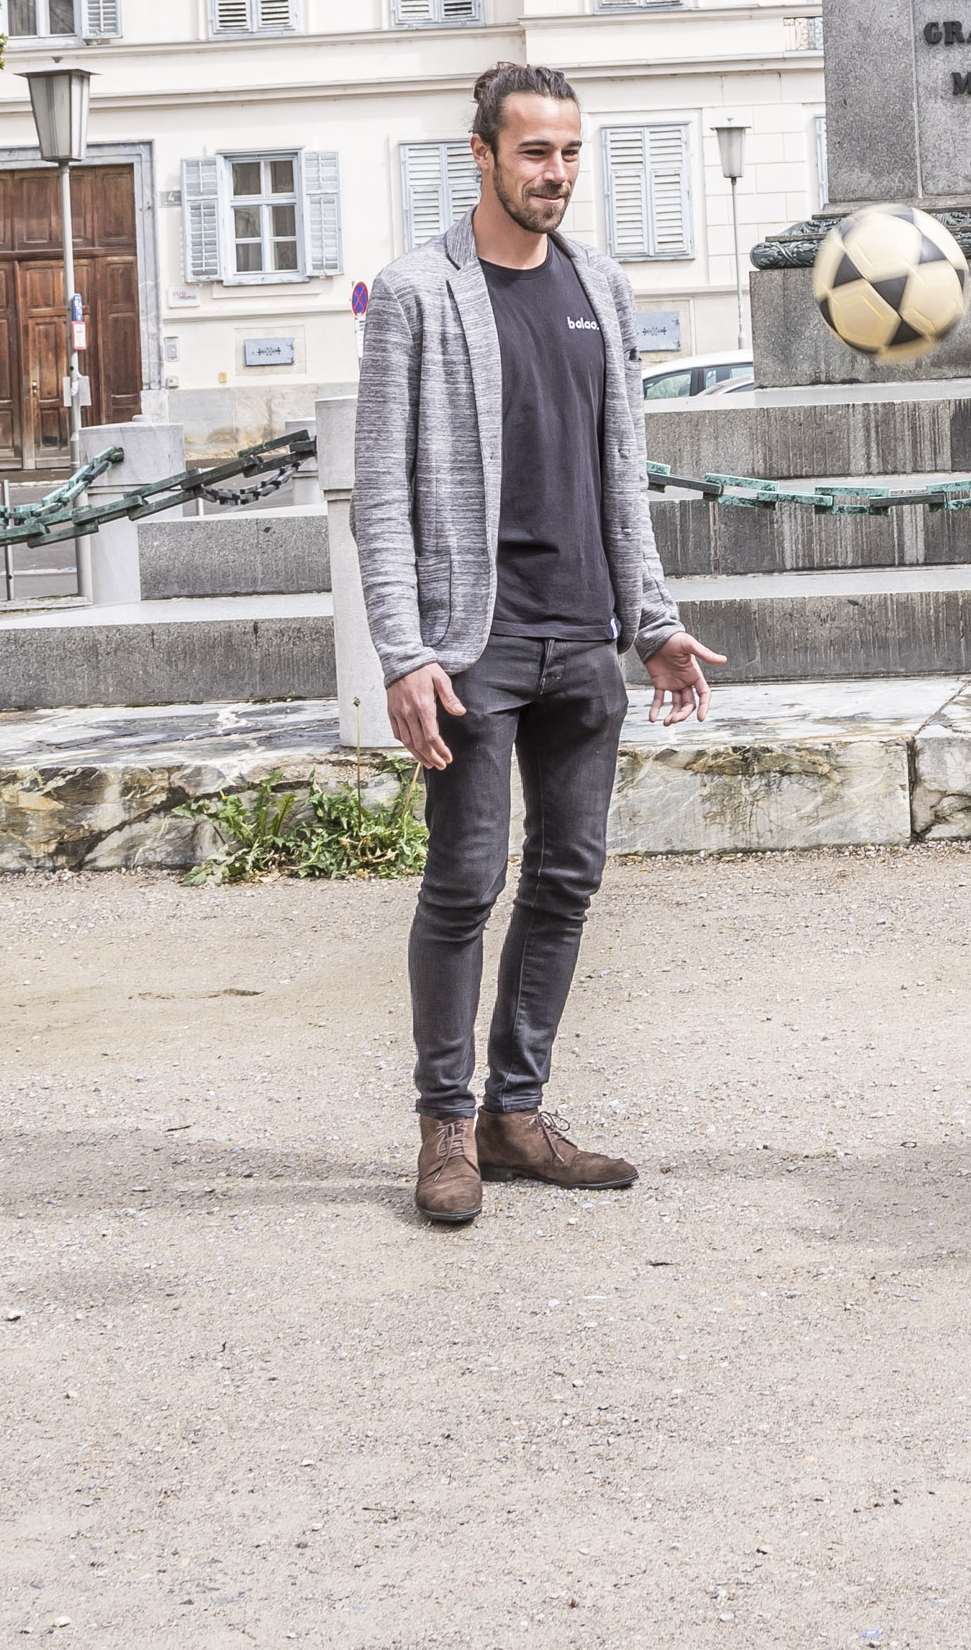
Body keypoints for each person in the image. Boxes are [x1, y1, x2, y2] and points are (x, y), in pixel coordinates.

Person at [354, 63, 728, 1226]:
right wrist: (404, 652)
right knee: (466, 882)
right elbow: (380, 491)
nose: (554, 173)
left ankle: (518, 1114)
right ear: (481, 154)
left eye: (568, 153)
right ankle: (446, 1127)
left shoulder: (601, 286)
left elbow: (626, 476)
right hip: (476, 644)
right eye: (533, 153)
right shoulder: (419, 291)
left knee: (567, 878)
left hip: (586, 639)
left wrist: (654, 624)